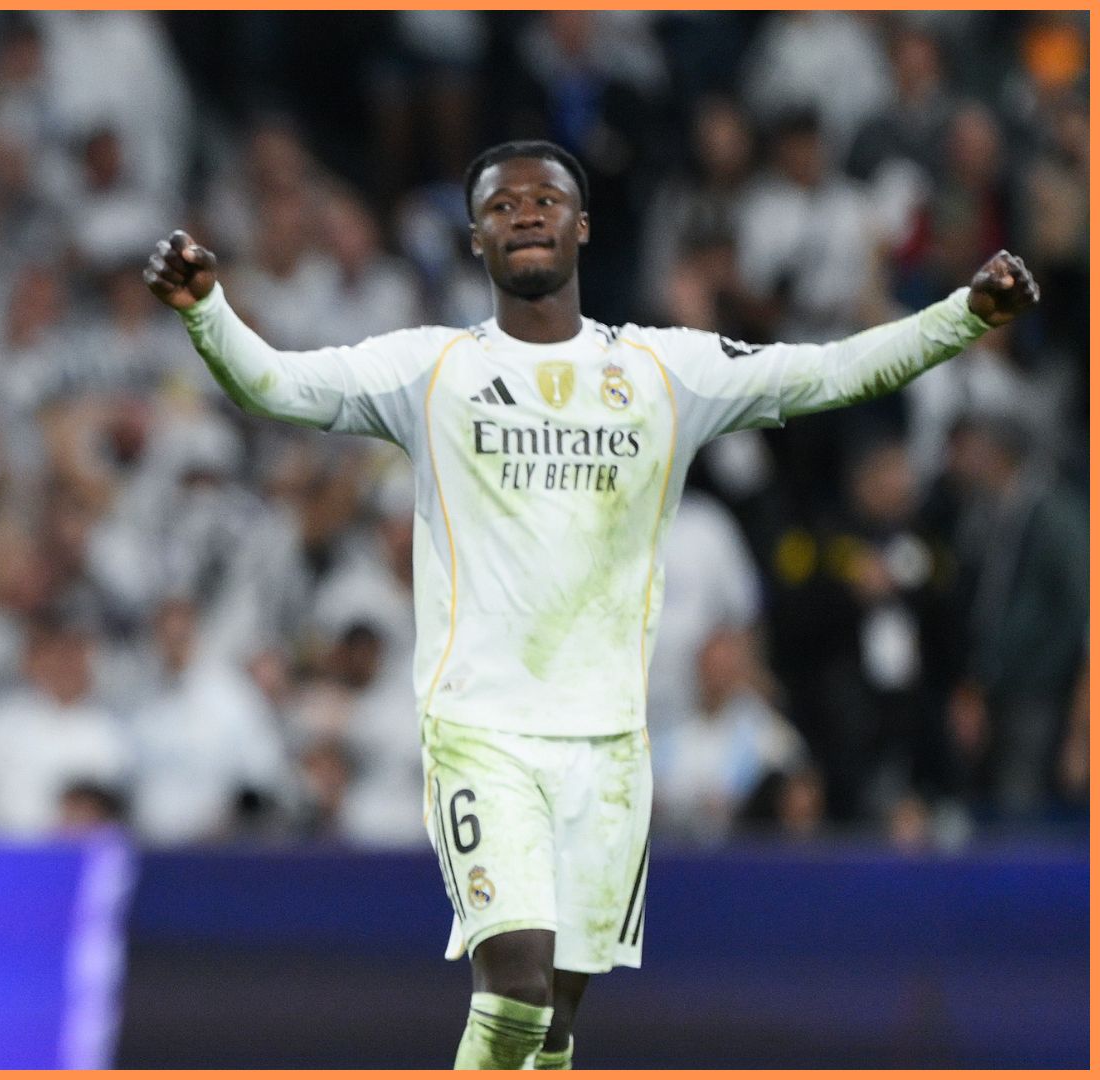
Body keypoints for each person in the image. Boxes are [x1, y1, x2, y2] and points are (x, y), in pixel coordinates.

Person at [144, 139, 1038, 1069]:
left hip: (610, 746)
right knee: (518, 985)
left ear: (582, 225)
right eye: (501, 205)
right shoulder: (430, 370)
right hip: (482, 730)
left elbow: (829, 372)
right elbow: (273, 384)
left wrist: (963, 316)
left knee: (558, 1030)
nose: (524, 212)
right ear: (476, 240)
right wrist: (206, 310)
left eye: (544, 199)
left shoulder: (664, 371)